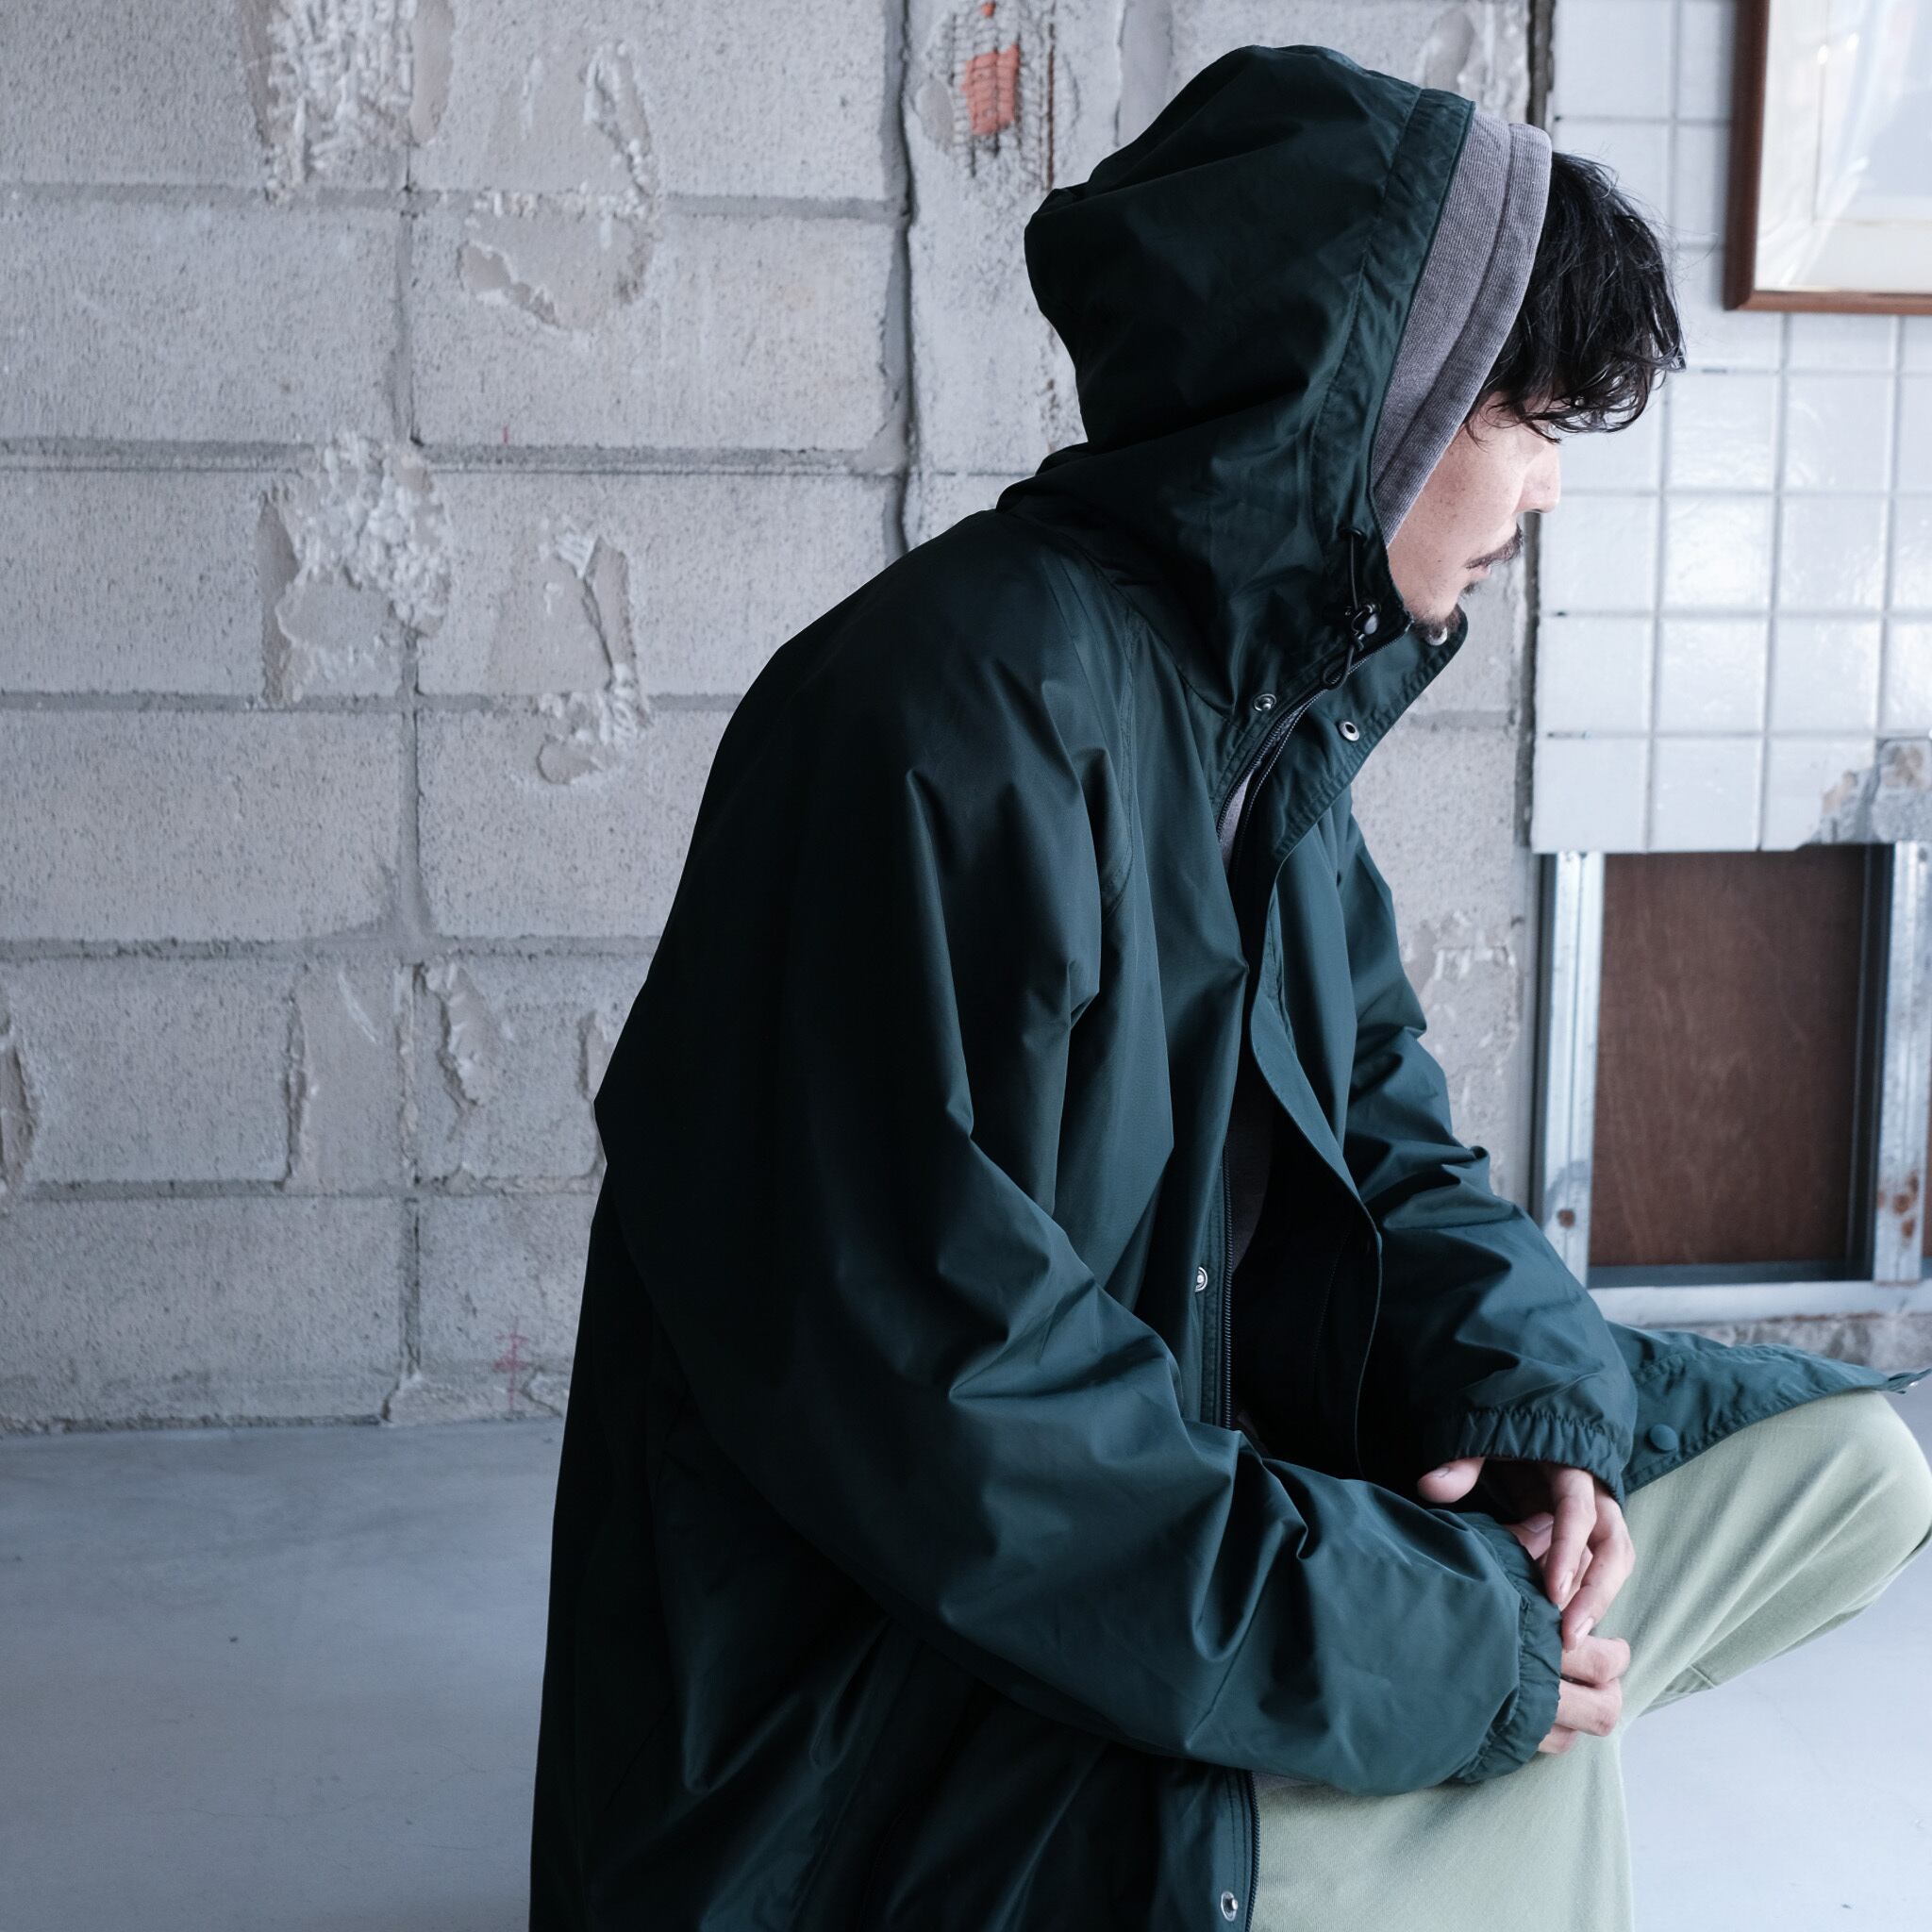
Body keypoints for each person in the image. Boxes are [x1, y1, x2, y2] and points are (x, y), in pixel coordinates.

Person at [527, 43, 1932, 1932]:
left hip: (1177, 1551)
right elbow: (962, 1425)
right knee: (1526, 1744)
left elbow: (1393, 1148)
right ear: (1370, 401)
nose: (1540, 492)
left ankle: (1467, 1735)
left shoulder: (1259, 729)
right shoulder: (929, 728)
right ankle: (1453, 1777)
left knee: (1846, 1464)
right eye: (1521, 419)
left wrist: (1529, 1414)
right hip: (892, 1723)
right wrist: (1443, 1654)